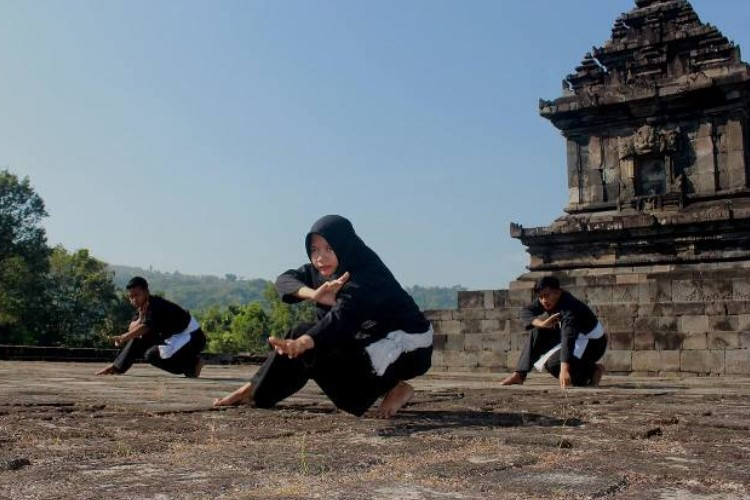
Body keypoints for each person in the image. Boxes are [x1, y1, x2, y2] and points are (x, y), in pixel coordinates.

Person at [213, 215, 433, 418]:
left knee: (308, 342)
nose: (320, 257)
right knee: (302, 337)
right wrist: (313, 294)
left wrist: (303, 342)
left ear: (344, 244)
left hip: (406, 350)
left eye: (329, 248)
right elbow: (285, 280)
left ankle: (392, 385)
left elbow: (341, 320)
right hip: (368, 342)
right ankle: (253, 390)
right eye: (314, 249)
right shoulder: (324, 270)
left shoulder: (367, 275)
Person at [500, 276, 606, 388]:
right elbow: (526, 311)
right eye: (540, 297)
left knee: (554, 365)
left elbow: (568, 338)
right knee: (537, 332)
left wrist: (564, 370)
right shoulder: (547, 299)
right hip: (568, 335)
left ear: (557, 292)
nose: (543, 300)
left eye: (546, 295)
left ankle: (592, 371)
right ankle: (520, 374)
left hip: (592, 343)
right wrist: (542, 323)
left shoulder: (570, 308)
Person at [96, 276, 206, 378]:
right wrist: (140, 318)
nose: (133, 299)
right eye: (131, 297)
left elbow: (145, 328)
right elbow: (132, 328)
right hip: (173, 337)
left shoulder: (156, 306)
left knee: (152, 355)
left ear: (146, 292)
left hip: (192, 338)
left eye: (136, 295)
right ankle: (117, 367)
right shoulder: (142, 308)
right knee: (138, 340)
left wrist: (123, 337)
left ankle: (193, 364)